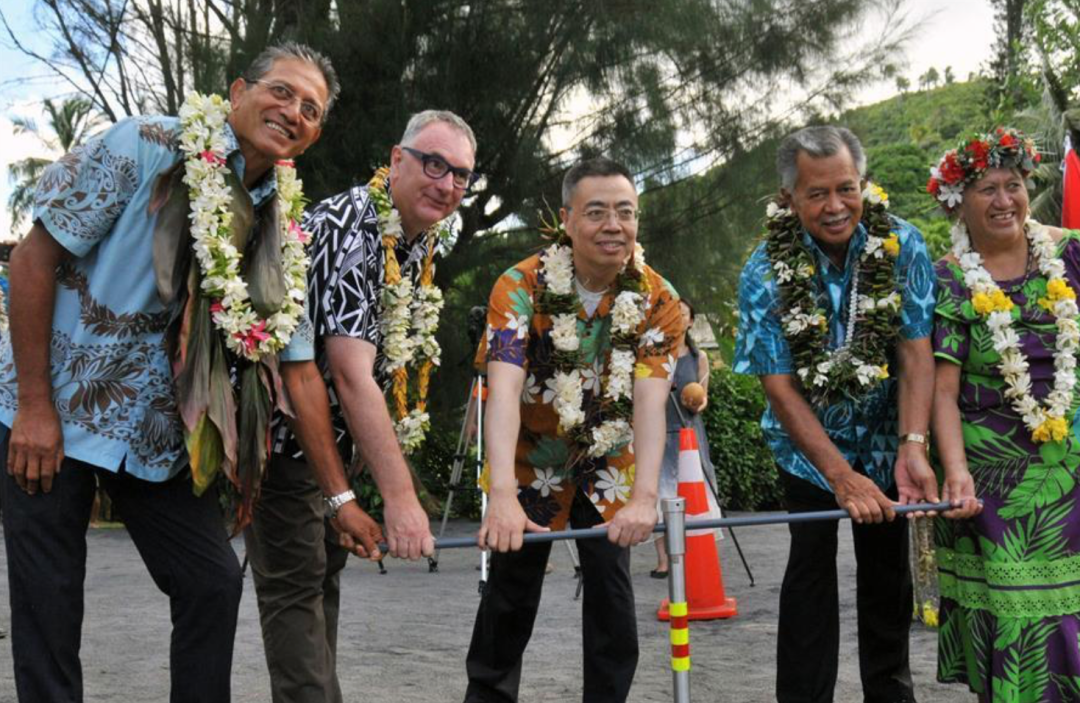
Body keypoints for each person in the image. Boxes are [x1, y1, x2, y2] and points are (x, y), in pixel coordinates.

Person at [0, 43, 384, 703]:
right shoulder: (144, 145)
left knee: (210, 581)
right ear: (237, 91)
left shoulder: (281, 232)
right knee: (49, 600)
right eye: (282, 92)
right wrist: (35, 406)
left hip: (156, 442)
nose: (293, 112)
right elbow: (32, 261)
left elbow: (298, 377)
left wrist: (341, 498)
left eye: (311, 110)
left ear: (314, 137)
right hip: (48, 413)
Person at [246, 109, 477, 703]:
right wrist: (400, 502)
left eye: (461, 175)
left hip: (326, 453)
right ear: (395, 160)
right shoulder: (354, 224)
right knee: (298, 601)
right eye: (433, 163)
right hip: (285, 444)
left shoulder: (410, 241)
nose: (447, 184)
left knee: (318, 591)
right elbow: (350, 375)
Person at [463, 157, 684, 703]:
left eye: (625, 212)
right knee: (508, 601)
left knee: (612, 599)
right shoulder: (518, 284)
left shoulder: (660, 300)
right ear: (566, 220)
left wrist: (644, 499)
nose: (614, 225)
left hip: (609, 467)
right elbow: (504, 390)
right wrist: (501, 494)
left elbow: (651, 407)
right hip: (529, 462)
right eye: (597, 212)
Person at [734, 125, 939, 703]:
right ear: (789, 199)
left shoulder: (904, 243)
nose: (834, 207)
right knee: (811, 571)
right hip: (805, 452)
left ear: (864, 184)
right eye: (816, 194)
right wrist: (839, 476)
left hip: (885, 438)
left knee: (886, 576)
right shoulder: (762, 271)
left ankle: (891, 694)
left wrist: (913, 444)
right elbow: (779, 387)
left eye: (845, 189)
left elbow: (915, 351)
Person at [926, 128, 1080, 702]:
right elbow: (943, 391)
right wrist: (956, 470)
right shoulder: (946, 279)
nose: (1003, 201)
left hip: (1074, 460)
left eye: (1012, 185)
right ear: (958, 201)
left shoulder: (1070, 255)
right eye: (986, 188)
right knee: (1020, 613)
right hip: (995, 474)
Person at [651, 297, 720, 578]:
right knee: (660, 494)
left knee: (694, 493)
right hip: (659, 430)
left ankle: (694, 550)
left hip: (688, 433)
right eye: (673, 313)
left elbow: (703, 398)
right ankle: (664, 560)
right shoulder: (655, 355)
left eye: (683, 315)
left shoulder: (698, 357)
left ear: (691, 321)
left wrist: (697, 404)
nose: (678, 319)